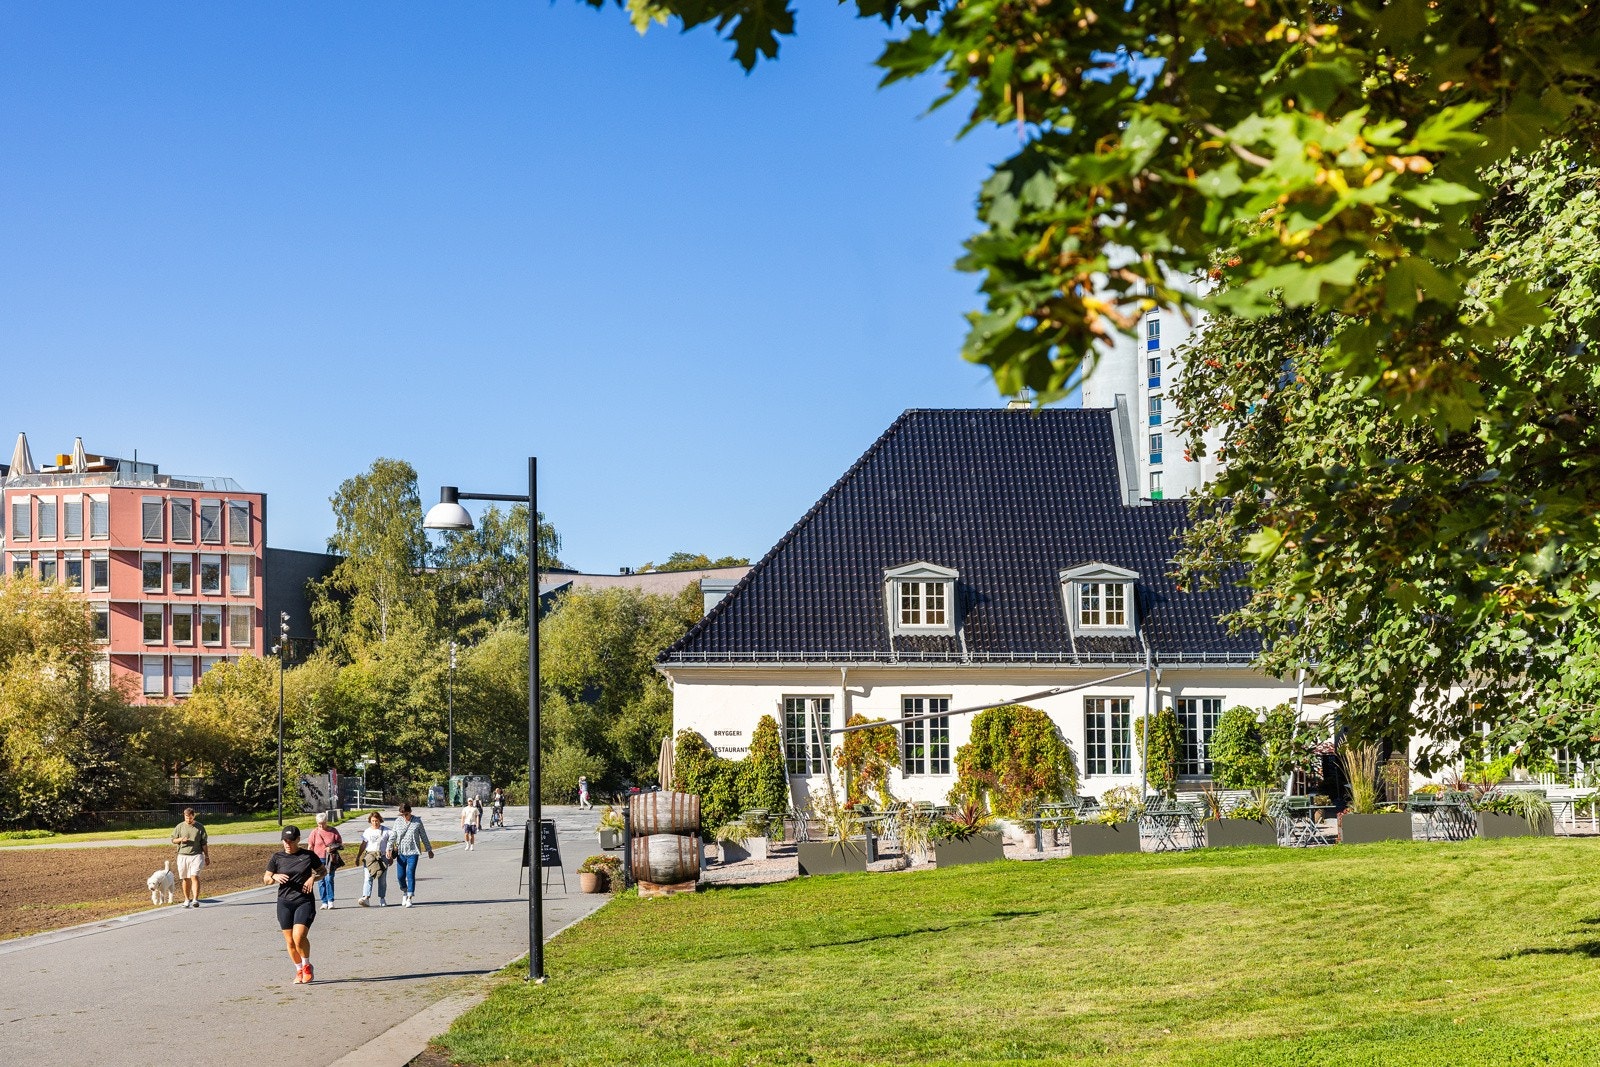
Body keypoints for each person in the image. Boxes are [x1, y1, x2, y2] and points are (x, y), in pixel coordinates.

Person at [265, 825, 326, 985]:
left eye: (291, 841)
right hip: (284, 902)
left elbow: (323, 871)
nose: (287, 844)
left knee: (298, 937)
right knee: (290, 941)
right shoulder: (277, 857)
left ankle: (307, 966)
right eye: (285, 841)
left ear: (298, 840)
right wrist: (275, 876)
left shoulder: (308, 856)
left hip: (304, 901)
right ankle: (298, 969)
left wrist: (313, 877)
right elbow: (266, 879)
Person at [389, 802, 434, 907]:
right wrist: (389, 849)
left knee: (410, 872)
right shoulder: (397, 821)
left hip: (413, 852)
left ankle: (409, 897)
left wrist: (429, 850)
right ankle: (404, 891)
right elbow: (393, 836)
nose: (404, 816)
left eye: (406, 814)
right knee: (400, 876)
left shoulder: (417, 821)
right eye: (402, 814)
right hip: (401, 852)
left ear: (410, 812)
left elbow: (423, 836)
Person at [170, 807, 210, 908]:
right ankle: (187, 899)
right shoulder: (179, 827)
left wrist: (207, 856)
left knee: (194, 876)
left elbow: (204, 843)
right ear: (184, 816)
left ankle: (195, 899)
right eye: (187, 818)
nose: (188, 820)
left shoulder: (200, 827)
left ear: (194, 816)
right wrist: (181, 839)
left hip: (196, 855)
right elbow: (173, 840)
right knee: (185, 878)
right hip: (183, 855)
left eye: (190, 818)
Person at [306, 811, 343, 910]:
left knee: (329, 879)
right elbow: (310, 846)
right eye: (319, 824)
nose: (321, 826)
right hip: (317, 860)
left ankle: (330, 901)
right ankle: (324, 902)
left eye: (323, 823)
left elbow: (340, 843)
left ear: (326, 821)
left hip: (330, 859)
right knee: (320, 881)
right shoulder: (314, 832)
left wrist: (332, 848)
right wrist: (309, 858)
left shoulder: (333, 831)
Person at [356, 811, 392, 907]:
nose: (375, 823)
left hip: (382, 857)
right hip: (369, 857)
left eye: (376, 821)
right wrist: (358, 856)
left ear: (380, 820)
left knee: (382, 879)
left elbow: (392, 843)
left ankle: (382, 898)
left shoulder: (387, 831)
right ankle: (366, 898)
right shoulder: (367, 831)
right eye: (372, 821)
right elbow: (363, 844)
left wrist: (391, 855)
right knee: (368, 878)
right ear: (370, 821)